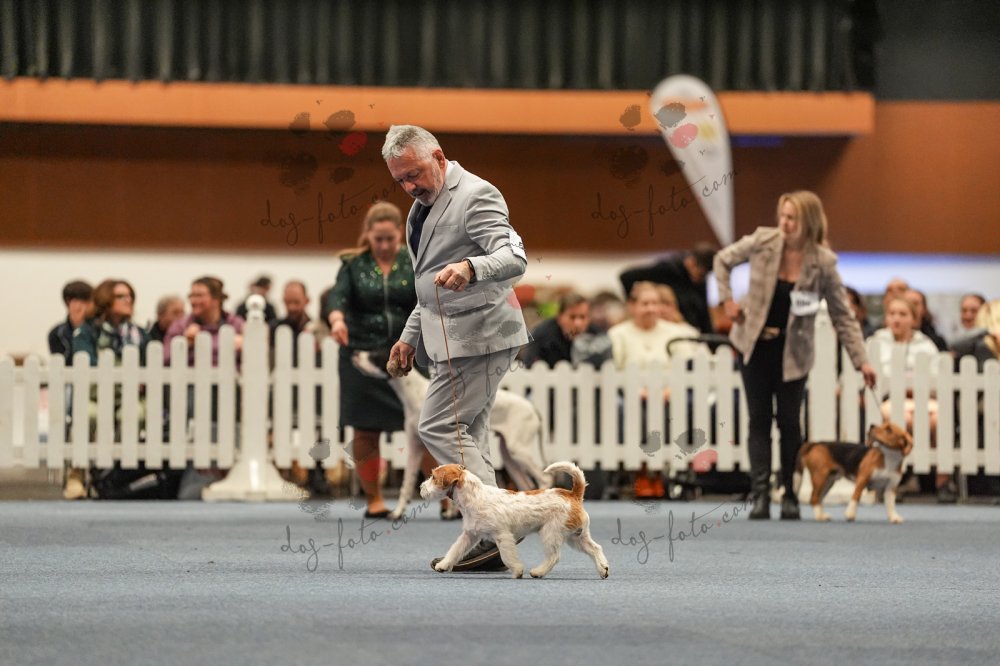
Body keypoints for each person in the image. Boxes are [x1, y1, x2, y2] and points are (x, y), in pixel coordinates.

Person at [384, 124, 529, 572]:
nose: (409, 186)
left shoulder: (477, 194)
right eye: (400, 180)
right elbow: (429, 285)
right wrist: (409, 337)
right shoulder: (421, 208)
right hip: (455, 337)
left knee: (437, 426)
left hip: (482, 333)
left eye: (414, 174)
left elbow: (515, 257)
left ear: (439, 157)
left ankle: (497, 527)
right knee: (470, 436)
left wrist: (472, 266)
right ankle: (495, 536)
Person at [714, 190, 876, 520]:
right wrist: (727, 300)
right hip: (755, 345)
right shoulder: (763, 240)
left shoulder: (823, 262)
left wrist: (862, 361)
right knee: (758, 419)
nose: (784, 223)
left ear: (810, 222)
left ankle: (789, 492)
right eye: (783, 216)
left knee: (789, 422)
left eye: (792, 218)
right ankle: (760, 495)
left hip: (794, 352)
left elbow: (843, 316)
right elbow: (722, 260)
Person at [327, 201, 416, 519]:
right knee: (365, 429)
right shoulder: (353, 264)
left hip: (408, 354)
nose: (384, 245)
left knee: (428, 428)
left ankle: (447, 498)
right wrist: (337, 320)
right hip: (361, 357)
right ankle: (374, 499)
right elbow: (337, 297)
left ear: (400, 234)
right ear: (367, 234)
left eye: (390, 238)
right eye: (378, 239)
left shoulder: (415, 260)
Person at [69, 279, 151, 499]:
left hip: (128, 396)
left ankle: (116, 474)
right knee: (88, 414)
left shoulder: (138, 334)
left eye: (130, 296)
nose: (128, 300)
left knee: (133, 413)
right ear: (105, 300)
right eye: (121, 296)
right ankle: (77, 473)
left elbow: (148, 367)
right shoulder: (87, 332)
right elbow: (87, 363)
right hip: (94, 394)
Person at [869, 297, 945, 500]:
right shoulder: (876, 342)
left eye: (903, 314)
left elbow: (937, 378)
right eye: (892, 314)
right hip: (888, 399)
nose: (897, 319)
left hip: (924, 399)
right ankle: (898, 479)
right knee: (902, 418)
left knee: (939, 418)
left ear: (913, 319)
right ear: (886, 318)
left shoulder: (926, 345)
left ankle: (943, 481)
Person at [620, 243, 716, 334]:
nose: (702, 279)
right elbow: (627, 277)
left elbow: (704, 314)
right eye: (701, 274)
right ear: (691, 262)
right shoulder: (668, 268)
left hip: (687, 327)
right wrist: (634, 307)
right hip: (664, 326)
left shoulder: (700, 278)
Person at [164, 277, 245, 368]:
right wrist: (185, 343)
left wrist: (246, 346)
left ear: (216, 299)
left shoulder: (236, 324)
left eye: (199, 296)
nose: (194, 301)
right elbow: (163, 360)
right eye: (192, 296)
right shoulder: (180, 326)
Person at [521, 291, 608, 369]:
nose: (578, 323)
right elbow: (530, 367)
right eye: (572, 317)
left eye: (582, 317)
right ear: (560, 317)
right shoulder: (542, 336)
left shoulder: (598, 336)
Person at [48, 280, 93, 363]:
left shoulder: (97, 328)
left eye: (85, 301)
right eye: (77, 301)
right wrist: (78, 326)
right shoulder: (57, 333)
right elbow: (61, 362)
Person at [272, 280, 312, 367]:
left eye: (296, 302)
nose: (292, 307)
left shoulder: (317, 329)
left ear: (307, 301)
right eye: (288, 302)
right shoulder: (273, 328)